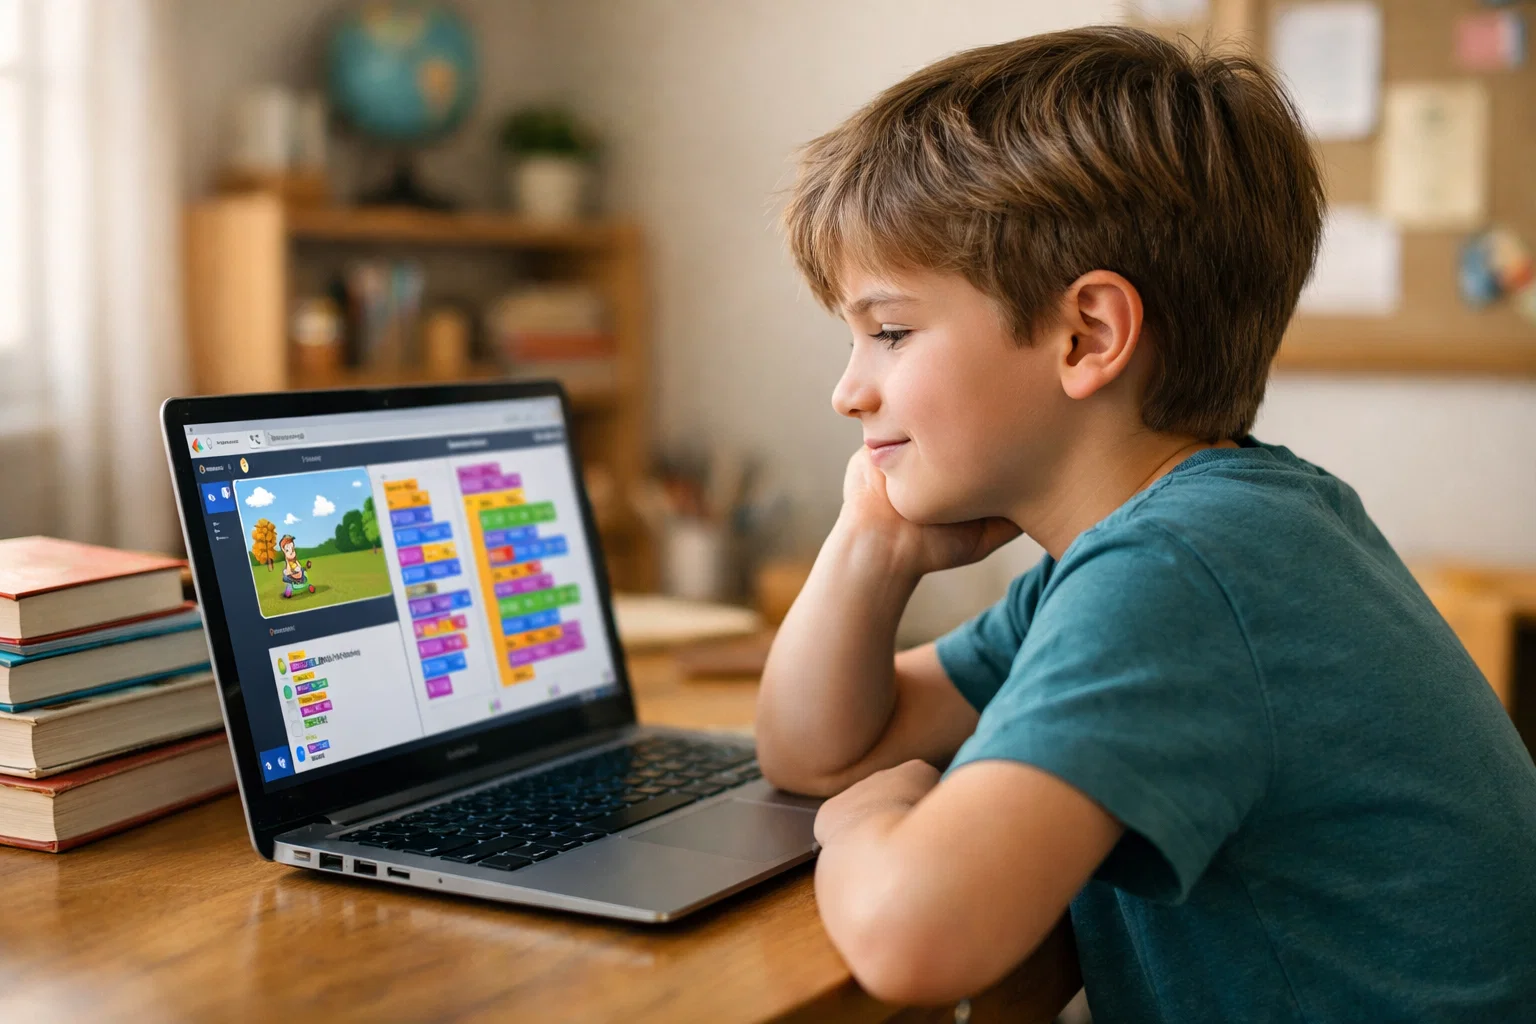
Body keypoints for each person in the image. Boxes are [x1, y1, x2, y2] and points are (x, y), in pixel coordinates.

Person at [755, 25, 1536, 1020]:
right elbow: (813, 747)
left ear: (1088, 335)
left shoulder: (1183, 569)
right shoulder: (1207, 530)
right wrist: (871, 544)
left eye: (891, 331)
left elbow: (920, 934)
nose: (848, 392)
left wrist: (875, 820)